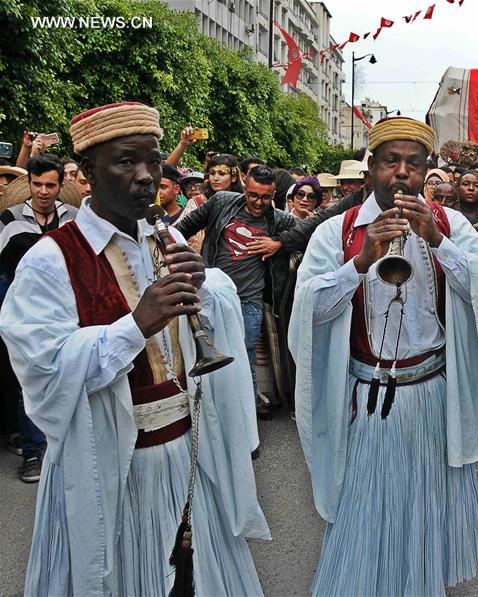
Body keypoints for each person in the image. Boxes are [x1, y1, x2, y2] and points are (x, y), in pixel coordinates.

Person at [0, 101, 268, 595]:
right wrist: (136, 324)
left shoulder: (163, 241)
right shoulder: (49, 260)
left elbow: (193, 341)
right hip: (110, 469)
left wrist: (205, 292)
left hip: (187, 457)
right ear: (85, 174)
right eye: (127, 161)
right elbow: (43, 369)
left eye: (154, 159)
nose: (147, 176)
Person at [289, 116, 478, 595]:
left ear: (427, 170)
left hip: (430, 395)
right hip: (364, 402)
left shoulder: (449, 224)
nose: (402, 173)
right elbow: (306, 311)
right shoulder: (337, 230)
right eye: (391, 161)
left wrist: (437, 241)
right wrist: (360, 262)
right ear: (372, 167)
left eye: (414, 164)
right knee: (364, 519)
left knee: (425, 518)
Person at [176, 165, 307, 425]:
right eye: (253, 195)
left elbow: (306, 234)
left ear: (274, 194)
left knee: (244, 360)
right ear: (244, 187)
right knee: (207, 357)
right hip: (211, 298)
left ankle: (246, 424)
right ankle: (213, 420)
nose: (259, 203)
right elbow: (183, 228)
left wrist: (278, 243)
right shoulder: (222, 202)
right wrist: (185, 262)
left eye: (266, 197)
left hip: (250, 302)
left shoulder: (279, 219)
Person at [0, 154, 78, 483]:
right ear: (28, 184)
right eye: (37, 184)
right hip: (27, 311)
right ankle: (33, 452)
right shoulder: (10, 218)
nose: (43, 191)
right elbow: (5, 268)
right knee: (29, 381)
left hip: (69, 310)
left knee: (70, 376)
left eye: (50, 185)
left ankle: (67, 449)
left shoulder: (75, 218)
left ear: (60, 186)